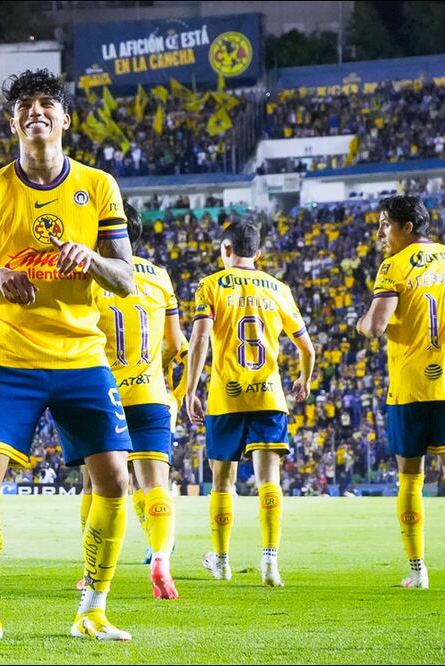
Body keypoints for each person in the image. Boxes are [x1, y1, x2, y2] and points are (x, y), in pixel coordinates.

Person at [0, 69, 136, 642]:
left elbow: (126, 279)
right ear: (13, 122)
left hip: (83, 355)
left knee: (114, 481)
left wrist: (91, 260)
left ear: (65, 119)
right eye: (25, 106)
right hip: (11, 358)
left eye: (46, 104)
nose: (36, 112)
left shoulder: (98, 186)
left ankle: (93, 608)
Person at [185, 219, 315, 587]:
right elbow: (306, 347)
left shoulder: (210, 285)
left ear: (225, 249)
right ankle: (270, 563)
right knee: (268, 481)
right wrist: (304, 378)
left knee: (222, 484)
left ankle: (222, 563)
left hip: (226, 396)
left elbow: (198, 340)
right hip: (269, 395)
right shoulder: (278, 288)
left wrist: (190, 389)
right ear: (257, 253)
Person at [90, 202, 188, 599]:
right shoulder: (160, 277)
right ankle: (161, 555)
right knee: (156, 484)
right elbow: (176, 344)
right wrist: (164, 379)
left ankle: (92, 571)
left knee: (97, 487)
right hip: (151, 394)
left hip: (104, 392)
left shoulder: (92, 275)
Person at [355, 195, 445, 589]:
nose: (380, 233)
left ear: (407, 227)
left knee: (410, 479)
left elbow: (376, 326)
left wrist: (361, 322)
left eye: (385, 225)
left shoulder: (394, 266)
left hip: (411, 387)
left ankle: (418, 571)